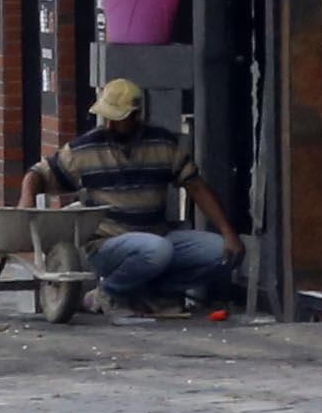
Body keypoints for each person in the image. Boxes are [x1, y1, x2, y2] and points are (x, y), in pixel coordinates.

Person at [28, 75, 236, 313]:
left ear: (136, 116)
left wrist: (228, 233)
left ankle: (150, 292)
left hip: (157, 236)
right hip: (107, 243)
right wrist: (26, 199)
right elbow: (38, 174)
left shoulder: (163, 143)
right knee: (156, 250)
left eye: (118, 120)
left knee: (220, 252)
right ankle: (108, 293)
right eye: (107, 118)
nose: (109, 126)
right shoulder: (85, 149)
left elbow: (196, 186)